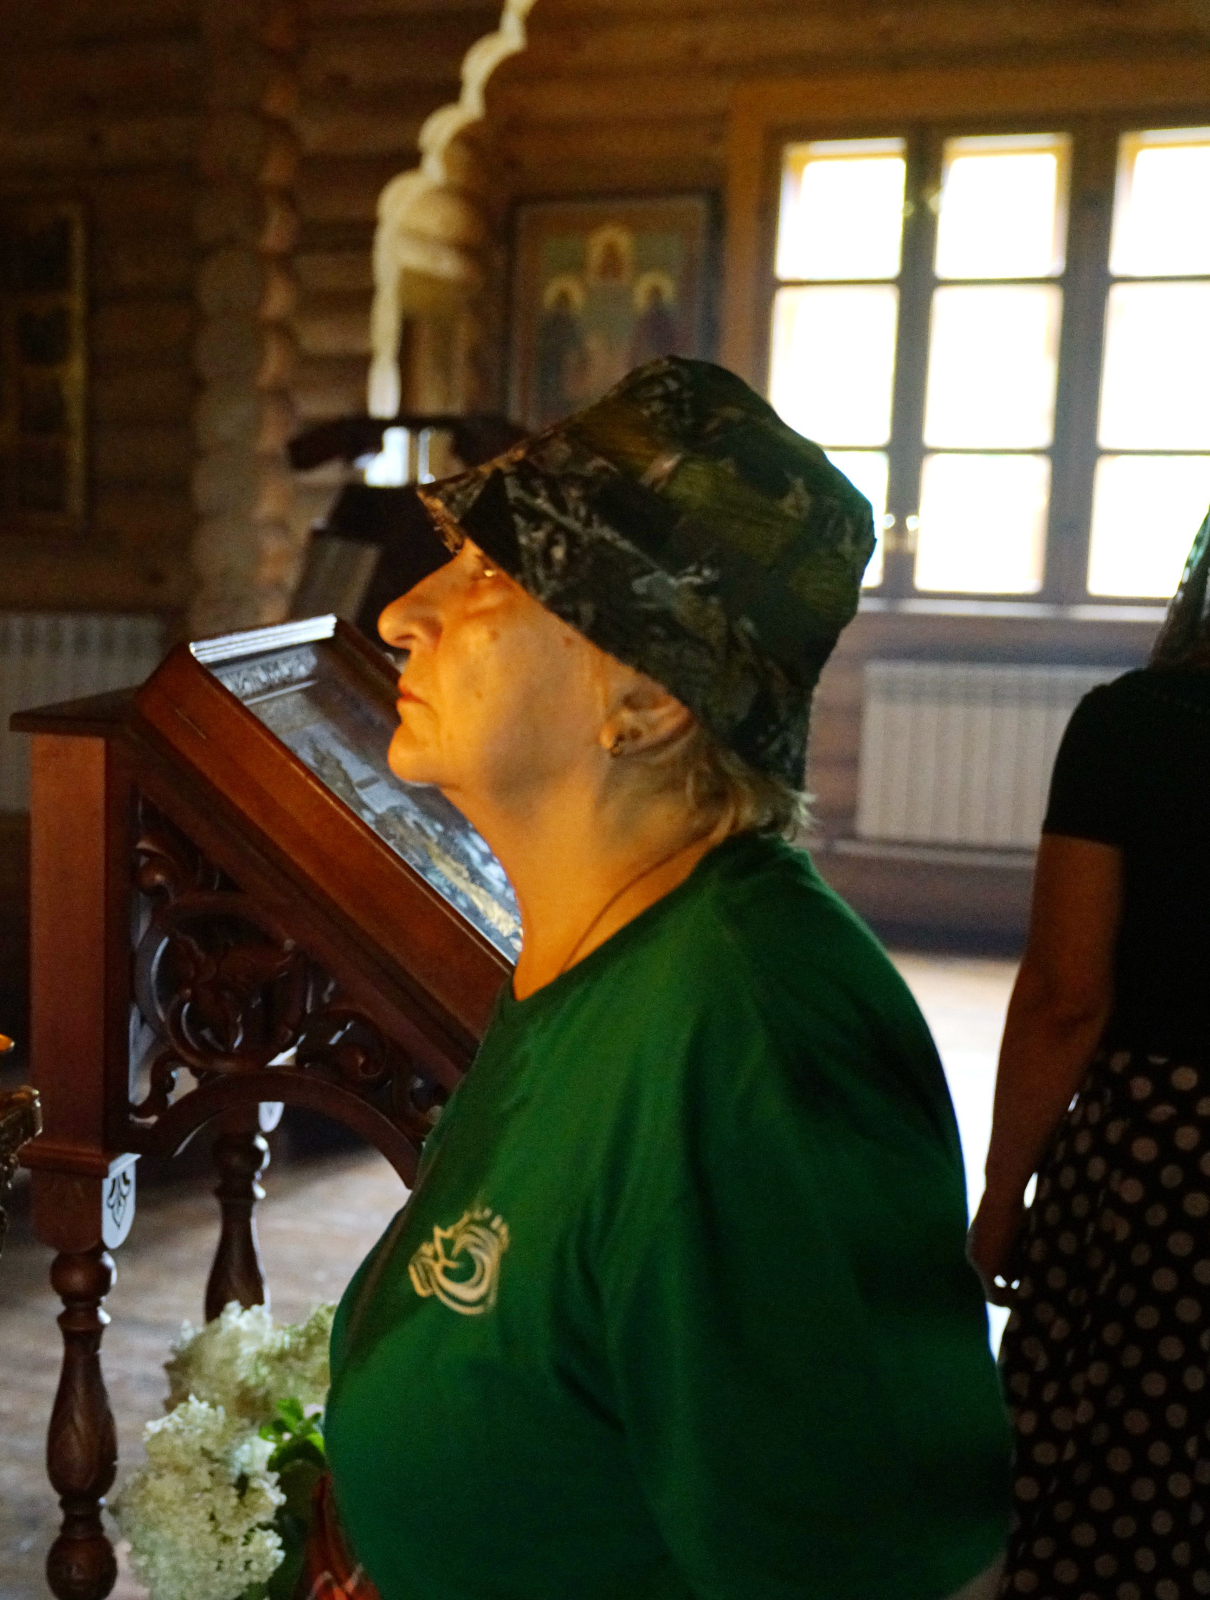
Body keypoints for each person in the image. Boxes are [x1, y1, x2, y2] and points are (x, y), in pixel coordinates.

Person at [317, 358, 1010, 1599]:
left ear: (644, 699)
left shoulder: (749, 1043)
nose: (403, 611)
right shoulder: (606, 947)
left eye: (491, 576)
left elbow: (871, 1569)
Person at [968, 440, 1210, 1599]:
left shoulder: (1132, 725)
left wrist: (1003, 1193)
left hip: (1161, 1154)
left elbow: (1066, 995)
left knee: (1120, 1455)